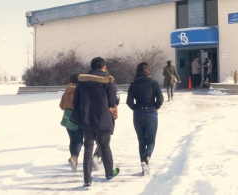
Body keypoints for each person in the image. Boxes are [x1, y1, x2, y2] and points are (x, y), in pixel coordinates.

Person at [71, 57, 120, 189]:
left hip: (87, 120)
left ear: (92, 67)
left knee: (88, 149)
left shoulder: (82, 81)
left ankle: (87, 180)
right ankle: (109, 173)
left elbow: (76, 101)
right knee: (105, 147)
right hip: (103, 119)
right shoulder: (109, 80)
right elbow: (112, 101)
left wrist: (81, 115)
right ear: (103, 67)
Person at [127, 62, 164, 175]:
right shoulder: (154, 83)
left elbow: (129, 101)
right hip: (151, 114)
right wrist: (155, 107)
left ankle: (144, 168)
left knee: (141, 142)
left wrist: (135, 108)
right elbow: (160, 99)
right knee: (151, 141)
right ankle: (146, 157)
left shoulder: (133, 84)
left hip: (138, 114)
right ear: (149, 71)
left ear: (137, 71)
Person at [59, 74, 82, 172]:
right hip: (78, 117)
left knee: (72, 139)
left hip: (68, 118)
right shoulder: (80, 91)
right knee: (79, 140)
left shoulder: (66, 92)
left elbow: (61, 106)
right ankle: (74, 157)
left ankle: (74, 159)